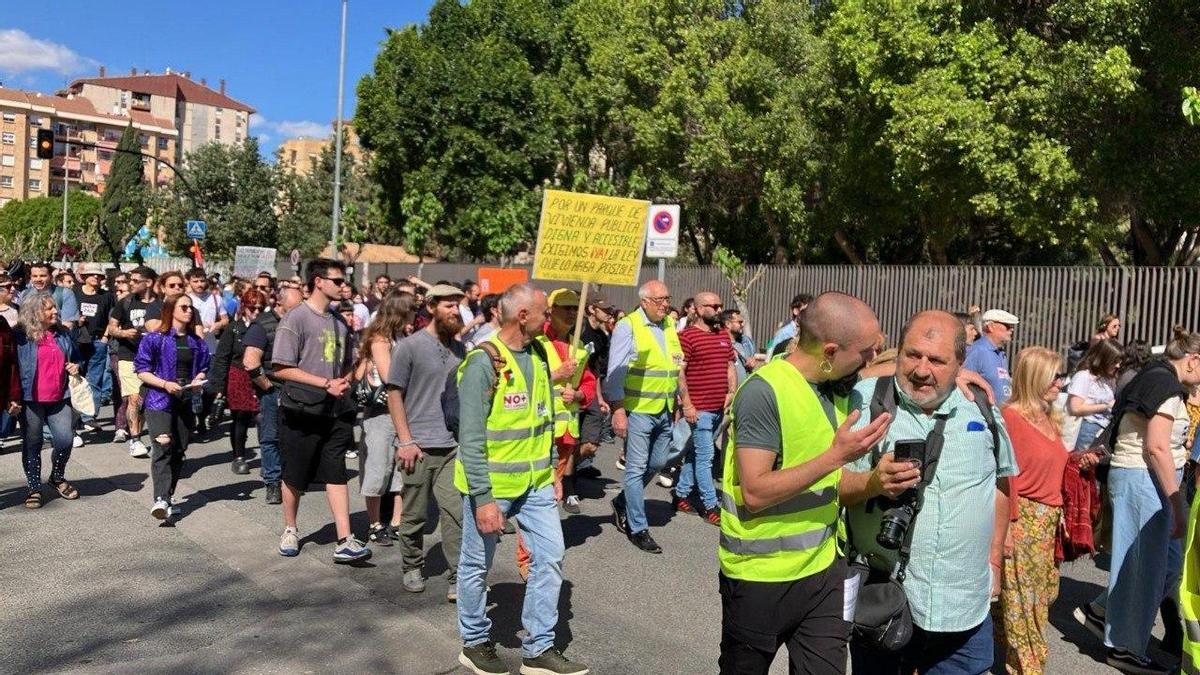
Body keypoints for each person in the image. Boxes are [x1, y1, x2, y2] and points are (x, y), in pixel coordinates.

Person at [718, 292, 888, 674]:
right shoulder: (764, 391)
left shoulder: (834, 386)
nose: (871, 360)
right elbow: (756, 492)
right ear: (830, 350)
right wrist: (834, 457)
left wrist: (961, 374)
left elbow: (833, 484)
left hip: (826, 572)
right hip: (760, 577)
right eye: (865, 352)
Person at [844, 310, 1017, 675]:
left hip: (964, 602)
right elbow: (830, 485)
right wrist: (872, 483)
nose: (922, 370)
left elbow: (1000, 483)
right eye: (913, 354)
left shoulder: (981, 406)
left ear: (960, 363)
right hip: (886, 600)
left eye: (937, 360)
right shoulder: (865, 400)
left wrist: (995, 558)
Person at [453, 284, 588, 675]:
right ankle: (475, 641)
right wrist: (483, 498)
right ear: (522, 317)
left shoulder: (540, 354)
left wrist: (552, 472)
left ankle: (539, 649)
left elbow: (542, 419)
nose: (550, 319)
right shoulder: (484, 362)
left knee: (550, 556)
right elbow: (472, 438)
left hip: (536, 484)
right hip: (491, 489)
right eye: (544, 313)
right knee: (476, 565)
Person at [1074, 327, 1200, 673]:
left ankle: (1102, 613)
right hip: (1143, 480)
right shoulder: (1167, 385)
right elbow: (1156, 446)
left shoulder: (1155, 377)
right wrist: (1177, 503)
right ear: (1194, 359)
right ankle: (1125, 647)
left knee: (1165, 567)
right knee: (1143, 568)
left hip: (1143, 478)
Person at [996, 347, 1099, 674]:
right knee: (1028, 606)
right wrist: (1008, 526)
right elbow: (1005, 475)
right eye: (1055, 376)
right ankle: (1029, 667)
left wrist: (1078, 461)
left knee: (1042, 597)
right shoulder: (1011, 416)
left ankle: (1005, 651)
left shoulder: (1047, 417)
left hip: (1047, 523)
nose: (1062, 382)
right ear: (1036, 377)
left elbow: (1050, 465)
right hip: (1024, 518)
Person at [272, 259, 370, 563]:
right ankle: (290, 528)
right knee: (295, 474)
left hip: (335, 410)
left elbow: (349, 365)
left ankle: (345, 539)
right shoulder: (296, 319)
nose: (344, 286)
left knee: (336, 471)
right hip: (301, 408)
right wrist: (324, 383)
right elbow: (281, 368)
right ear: (318, 281)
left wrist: (350, 377)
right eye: (338, 280)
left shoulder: (340, 321)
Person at [389, 284, 467, 599]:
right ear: (431, 306)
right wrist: (405, 440)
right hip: (417, 447)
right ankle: (411, 565)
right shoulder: (408, 346)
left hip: (451, 447)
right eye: (449, 305)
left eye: (458, 306)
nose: (455, 311)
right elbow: (394, 393)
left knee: (455, 513)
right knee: (415, 514)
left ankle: (458, 577)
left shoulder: (462, 350)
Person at [607, 279, 681, 554]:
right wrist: (618, 411)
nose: (665, 304)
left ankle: (623, 501)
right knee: (636, 468)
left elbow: (675, 366)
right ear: (644, 302)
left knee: (660, 461)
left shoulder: (670, 325)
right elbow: (615, 371)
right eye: (660, 299)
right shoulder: (629, 326)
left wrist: (679, 400)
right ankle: (637, 527)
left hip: (663, 407)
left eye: (667, 298)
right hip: (638, 410)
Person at [134, 294, 210, 521]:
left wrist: (198, 380)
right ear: (170, 310)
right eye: (183, 307)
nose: (189, 311)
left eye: (190, 308)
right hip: (158, 398)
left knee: (179, 449)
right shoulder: (155, 338)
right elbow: (141, 370)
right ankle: (160, 499)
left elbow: (204, 367)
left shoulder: (197, 342)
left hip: (185, 400)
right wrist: (165, 384)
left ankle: (168, 496)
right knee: (163, 444)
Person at [353, 291, 416, 547]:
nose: (415, 315)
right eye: (411, 310)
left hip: (401, 410)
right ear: (400, 311)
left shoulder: (400, 336)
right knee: (378, 469)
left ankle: (397, 522)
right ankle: (374, 524)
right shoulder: (380, 339)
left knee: (401, 470)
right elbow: (392, 377)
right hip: (380, 414)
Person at [674, 291, 735, 525]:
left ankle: (681, 494)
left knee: (696, 455)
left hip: (718, 407)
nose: (719, 310)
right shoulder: (686, 337)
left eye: (720, 305)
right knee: (706, 458)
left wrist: (731, 391)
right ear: (698, 310)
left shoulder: (723, 335)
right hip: (699, 410)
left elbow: (729, 365)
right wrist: (687, 404)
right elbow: (680, 372)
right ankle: (710, 506)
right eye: (713, 306)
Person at [14, 293, 80, 509]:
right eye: (49, 309)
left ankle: (57, 477)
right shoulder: (20, 336)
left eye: (55, 308)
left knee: (65, 440)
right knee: (33, 444)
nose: (56, 312)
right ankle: (34, 487)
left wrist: (76, 366)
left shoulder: (63, 333)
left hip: (60, 397)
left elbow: (77, 357)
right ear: (34, 313)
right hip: (29, 399)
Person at [240, 285, 302, 505]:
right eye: (294, 307)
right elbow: (250, 362)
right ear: (279, 303)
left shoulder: (301, 324)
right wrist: (268, 387)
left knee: (296, 437)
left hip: (300, 390)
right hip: (274, 390)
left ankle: (293, 479)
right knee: (271, 437)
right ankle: (273, 482)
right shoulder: (262, 325)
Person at [209, 289, 268, 475]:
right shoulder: (233, 328)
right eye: (252, 308)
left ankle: (268, 458)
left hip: (259, 376)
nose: (256, 312)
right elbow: (222, 358)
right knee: (240, 418)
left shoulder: (266, 327)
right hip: (238, 376)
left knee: (263, 418)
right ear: (244, 307)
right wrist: (219, 388)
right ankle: (239, 456)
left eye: (260, 308)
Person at [108, 266, 160, 458]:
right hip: (129, 356)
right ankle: (135, 439)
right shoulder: (126, 302)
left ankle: (151, 436)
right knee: (134, 398)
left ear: (149, 283)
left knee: (148, 401)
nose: (130, 284)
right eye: (130, 280)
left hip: (154, 359)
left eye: (135, 281)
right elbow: (112, 328)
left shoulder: (161, 304)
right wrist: (124, 333)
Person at [186, 267, 228, 437]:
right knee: (190, 387)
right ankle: (192, 420)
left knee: (209, 387)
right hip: (190, 349)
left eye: (202, 280)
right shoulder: (186, 299)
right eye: (195, 281)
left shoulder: (216, 299)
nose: (199, 284)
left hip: (210, 349)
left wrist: (216, 325)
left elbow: (225, 319)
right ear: (189, 282)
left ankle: (203, 416)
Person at [74, 263, 115, 434]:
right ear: (84, 277)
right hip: (77, 341)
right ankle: (74, 417)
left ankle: (90, 416)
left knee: (95, 380)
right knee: (76, 380)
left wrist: (105, 338)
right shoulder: (74, 293)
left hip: (98, 341)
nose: (96, 278)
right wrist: (77, 321)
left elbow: (112, 318)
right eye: (92, 275)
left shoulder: (107, 296)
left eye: (98, 275)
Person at [1067, 338, 1121, 451]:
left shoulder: (1109, 380)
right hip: (1087, 428)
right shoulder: (1083, 376)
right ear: (1104, 358)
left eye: (1119, 362)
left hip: (1103, 431)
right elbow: (1075, 408)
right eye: (1114, 361)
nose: (1118, 366)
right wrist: (1106, 406)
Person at [964, 308, 1019, 404]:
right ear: (991, 327)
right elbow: (963, 380)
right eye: (1007, 325)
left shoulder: (1001, 353)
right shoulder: (978, 351)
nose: (1011, 329)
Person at [19, 263, 79, 329]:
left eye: (43, 276)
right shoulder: (24, 294)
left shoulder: (65, 293)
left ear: (50, 277)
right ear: (30, 277)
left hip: (56, 337)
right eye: (35, 276)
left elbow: (68, 324)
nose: (38, 279)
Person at [723, 308, 762, 387]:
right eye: (739, 322)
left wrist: (753, 362)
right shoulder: (721, 345)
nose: (742, 325)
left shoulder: (743, 343)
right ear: (728, 324)